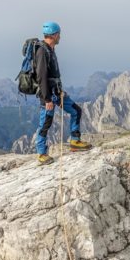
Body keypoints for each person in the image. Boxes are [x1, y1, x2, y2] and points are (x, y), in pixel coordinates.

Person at [34, 21, 91, 165]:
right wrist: (47, 99)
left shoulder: (50, 50)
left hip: (57, 93)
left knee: (76, 111)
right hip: (48, 95)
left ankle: (75, 141)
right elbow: (41, 77)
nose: (60, 37)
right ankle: (41, 153)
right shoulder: (42, 51)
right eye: (59, 34)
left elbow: (52, 75)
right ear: (54, 35)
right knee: (45, 123)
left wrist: (59, 91)